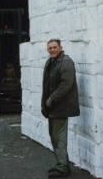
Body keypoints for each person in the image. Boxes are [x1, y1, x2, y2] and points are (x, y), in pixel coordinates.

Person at [41, 39, 80, 178]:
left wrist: (51, 99)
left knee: (59, 137)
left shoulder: (66, 62)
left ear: (60, 47)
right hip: (52, 107)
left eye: (54, 47)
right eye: (50, 48)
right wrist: (44, 104)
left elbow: (66, 85)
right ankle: (62, 164)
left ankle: (63, 167)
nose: (52, 50)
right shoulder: (50, 62)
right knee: (54, 136)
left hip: (61, 106)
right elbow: (46, 86)